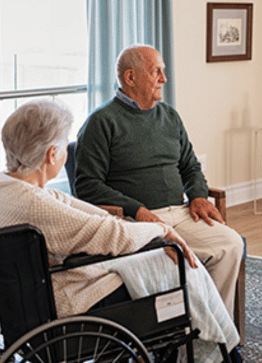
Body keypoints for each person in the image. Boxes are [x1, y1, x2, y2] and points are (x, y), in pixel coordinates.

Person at [0, 100, 241, 363]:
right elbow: (109, 234)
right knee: (172, 264)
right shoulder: (37, 205)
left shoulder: (12, 191)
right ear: (52, 154)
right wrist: (161, 230)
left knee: (157, 259)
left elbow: (82, 211)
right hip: (67, 303)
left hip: (21, 311)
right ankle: (215, 351)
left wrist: (142, 228)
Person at [74, 45, 244, 317]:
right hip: (133, 223)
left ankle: (212, 334)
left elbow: (190, 165)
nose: (164, 79)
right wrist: (137, 211)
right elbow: (87, 186)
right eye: (156, 72)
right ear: (131, 78)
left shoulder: (169, 116)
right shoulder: (101, 122)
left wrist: (199, 195)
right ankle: (179, 335)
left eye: (162, 71)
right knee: (169, 261)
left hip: (180, 212)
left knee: (230, 244)